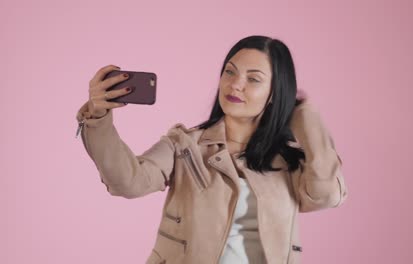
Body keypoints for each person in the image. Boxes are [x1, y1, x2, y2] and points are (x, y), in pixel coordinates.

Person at [75, 35, 348, 264]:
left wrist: (308, 122)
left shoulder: (289, 161)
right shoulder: (184, 145)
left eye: (253, 79)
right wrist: (98, 117)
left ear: (275, 93)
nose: (235, 84)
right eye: (230, 71)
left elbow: (325, 196)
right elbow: (128, 182)